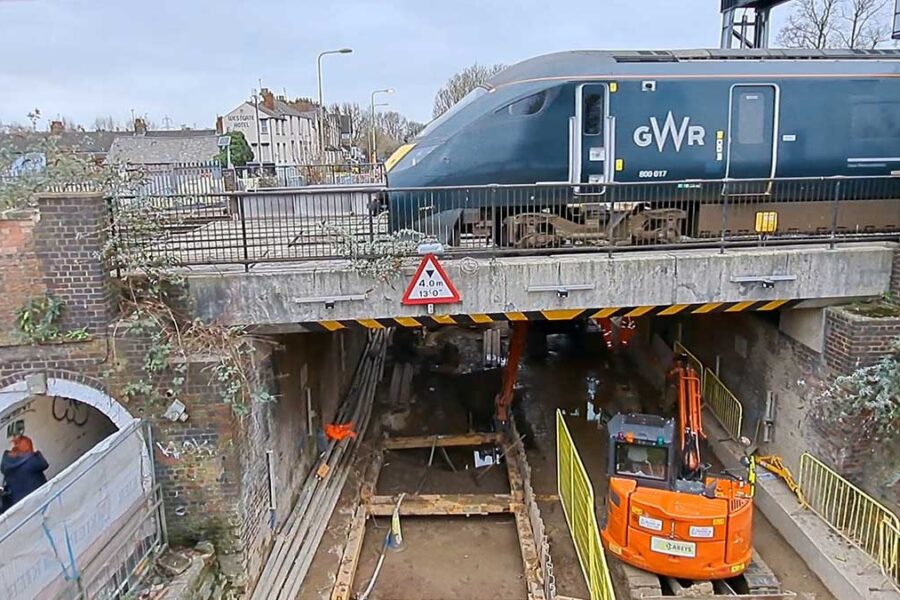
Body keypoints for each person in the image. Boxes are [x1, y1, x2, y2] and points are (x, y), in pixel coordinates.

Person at [1, 435, 49, 512]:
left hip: (20, 507)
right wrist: (32, 452)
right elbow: (44, 464)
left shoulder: (6, 464)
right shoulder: (31, 461)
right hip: (40, 500)